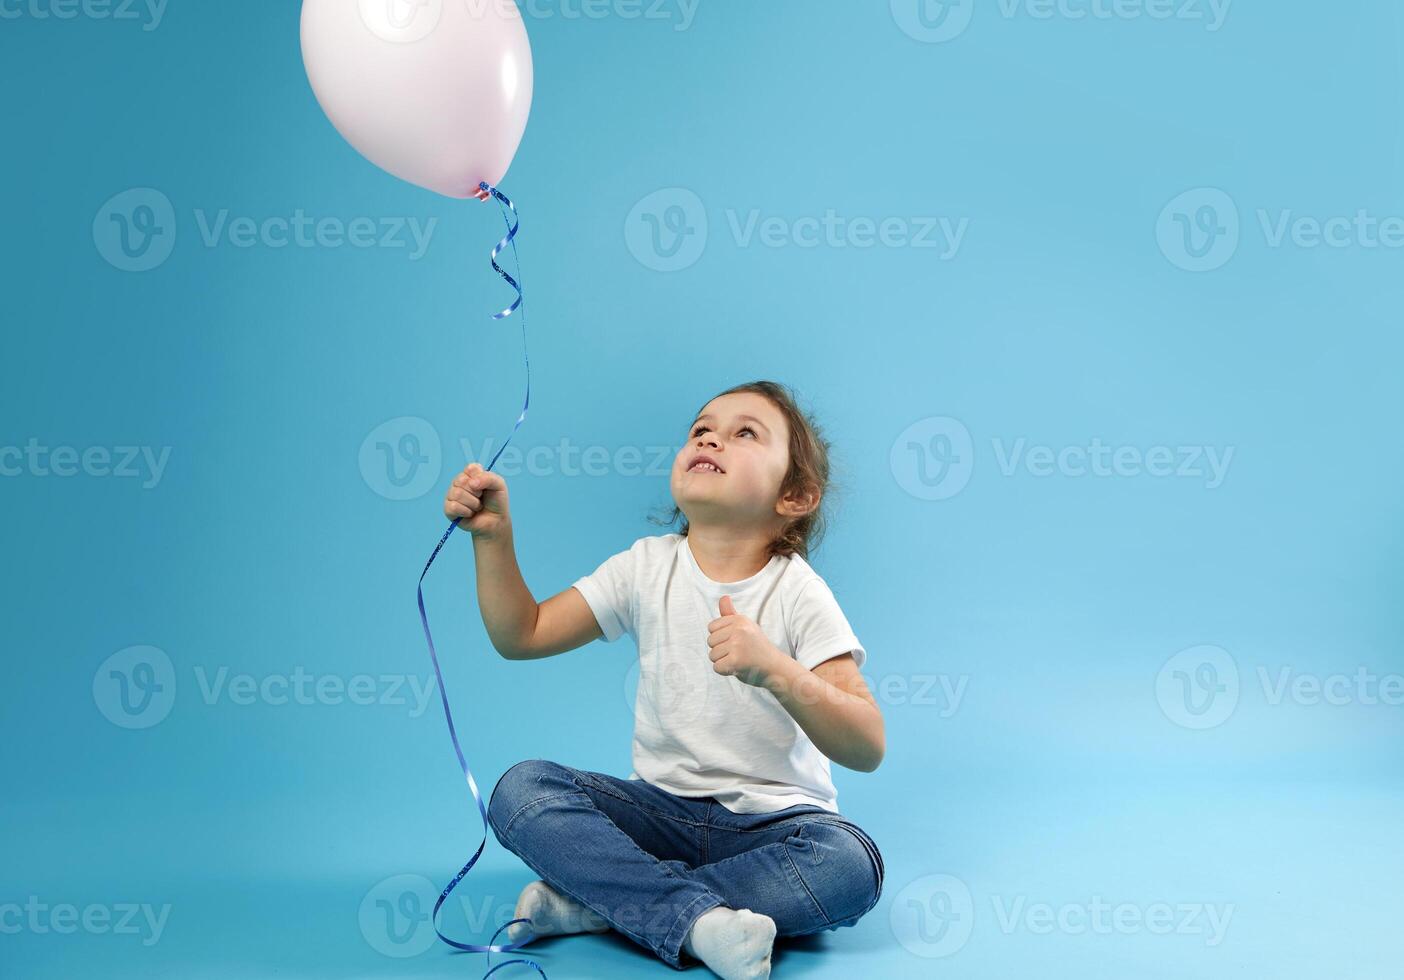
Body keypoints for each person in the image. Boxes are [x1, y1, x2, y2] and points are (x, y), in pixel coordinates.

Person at [443, 380, 885, 979]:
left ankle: (607, 904)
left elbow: (867, 743)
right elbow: (523, 634)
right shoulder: (646, 566)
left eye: (744, 432)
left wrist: (777, 671)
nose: (710, 436)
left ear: (795, 495)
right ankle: (698, 923)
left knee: (851, 865)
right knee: (522, 791)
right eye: (701, 428)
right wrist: (493, 538)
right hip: (659, 817)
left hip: (777, 828)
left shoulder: (798, 590)